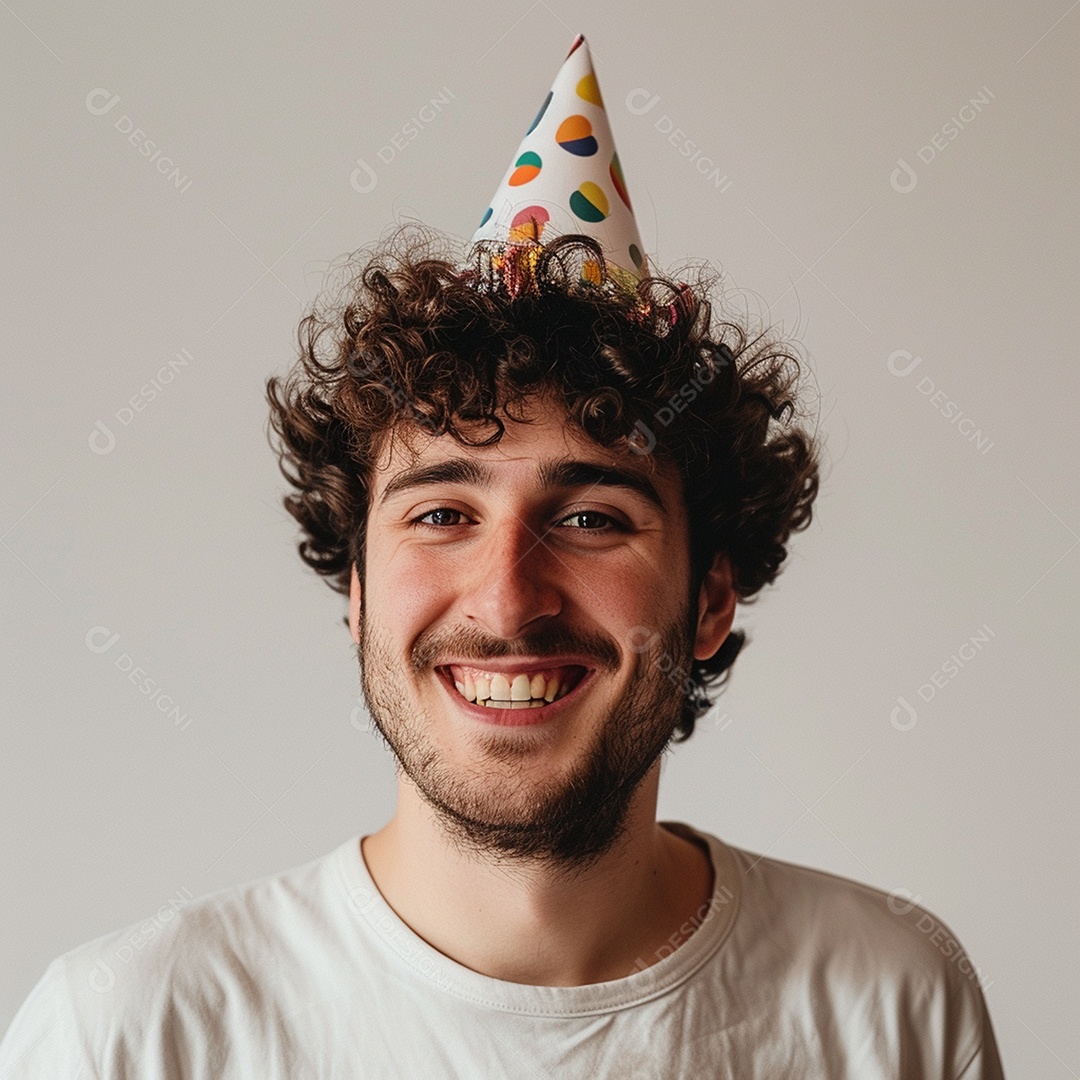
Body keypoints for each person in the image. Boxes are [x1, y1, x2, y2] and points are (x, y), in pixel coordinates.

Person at [0, 34, 1004, 1079]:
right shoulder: (128, 1033)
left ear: (711, 598)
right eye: (441, 515)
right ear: (354, 588)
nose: (508, 599)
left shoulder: (893, 1002)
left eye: (592, 520)